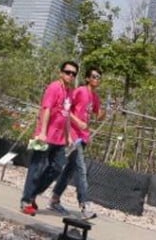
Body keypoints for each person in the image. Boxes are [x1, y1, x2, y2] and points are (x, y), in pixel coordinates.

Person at [19, 60, 78, 216]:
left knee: (57, 167)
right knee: (36, 167)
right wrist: (43, 132)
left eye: (73, 74)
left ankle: (33, 194)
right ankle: (26, 201)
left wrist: (69, 136)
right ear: (61, 73)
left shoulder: (70, 92)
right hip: (46, 135)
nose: (70, 75)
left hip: (60, 139)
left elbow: (66, 116)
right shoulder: (54, 88)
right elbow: (46, 109)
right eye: (68, 72)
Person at [48, 66, 104, 220]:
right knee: (81, 168)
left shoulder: (95, 97)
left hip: (83, 137)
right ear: (87, 78)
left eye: (99, 77)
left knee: (69, 170)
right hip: (73, 135)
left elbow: (98, 116)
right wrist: (77, 122)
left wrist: (108, 110)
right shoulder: (80, 91)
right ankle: (85, 204)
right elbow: (66, 109)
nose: (96, 79)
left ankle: (54, 200)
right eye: (94, 76)